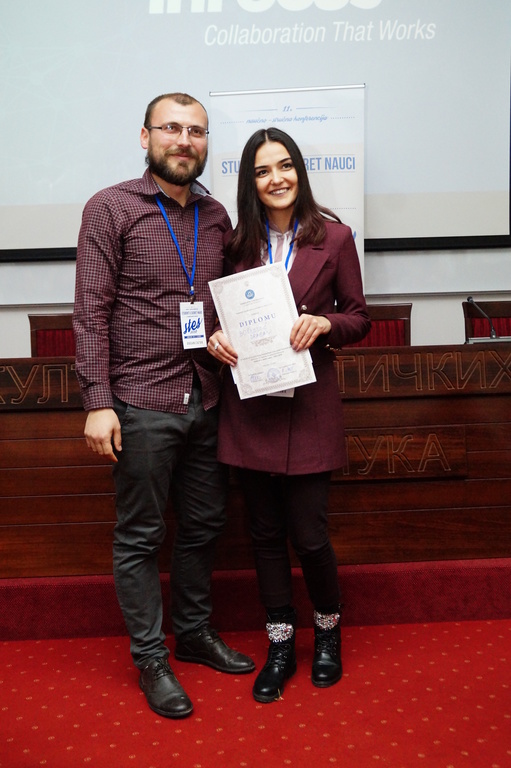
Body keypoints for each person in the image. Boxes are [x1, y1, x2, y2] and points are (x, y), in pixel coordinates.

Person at [73, 92, 255, 720]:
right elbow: (90, 312)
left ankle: (194, 633)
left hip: (207, 396)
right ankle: (152, 658)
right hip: (140, 402)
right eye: (171, 128)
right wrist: (98, 402)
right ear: (145, 136)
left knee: (204, 524)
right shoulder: (111, 208)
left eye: (196, 131)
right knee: (140, 536)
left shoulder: (217, 214)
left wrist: (226, 334)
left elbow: (220, 304)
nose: (184, 140)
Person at [207, 127, 370, 703]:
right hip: (251, 405)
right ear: (249, 183)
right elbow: (214, 317)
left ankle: (327, 632)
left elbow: (359, 317)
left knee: (310, 533)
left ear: (299, 170)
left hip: (309, 406)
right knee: (265, 534)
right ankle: (280, 643)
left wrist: (326, 323)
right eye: (261, 171)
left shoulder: (336, 237)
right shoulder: (235, 245)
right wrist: (215, 338)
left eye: (284, 166)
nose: (275, 179)